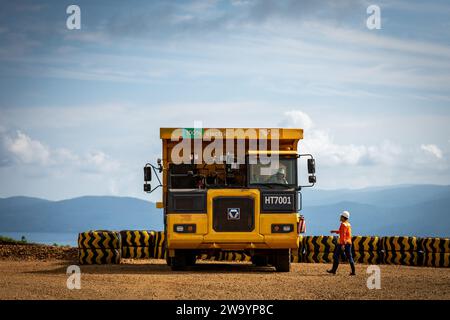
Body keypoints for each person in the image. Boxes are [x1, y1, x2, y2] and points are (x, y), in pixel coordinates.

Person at [327, 211, 356, 275]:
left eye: (341, 216)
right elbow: (342, 232)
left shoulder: (343, 224)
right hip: (349, 242)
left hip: (343, 243)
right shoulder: (348, 224)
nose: (340, 217)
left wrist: (343, 244)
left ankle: (333, 270)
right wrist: (334, 231)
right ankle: (353, 271)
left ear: (343, 217)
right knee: (349, 256)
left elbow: (343, 235)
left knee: (335, 256)